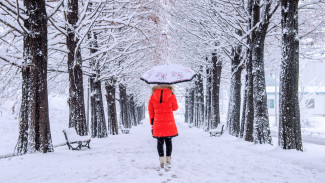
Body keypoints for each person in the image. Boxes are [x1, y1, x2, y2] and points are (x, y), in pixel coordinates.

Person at [148, 84, 178, 168]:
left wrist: (152, 122)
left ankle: (161, 161)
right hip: (169, 122)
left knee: (160, 142)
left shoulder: (153, 96)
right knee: (168, 142)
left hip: (158, 122)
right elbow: (175, 108)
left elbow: (151, 110)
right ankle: (168, 160)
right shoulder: (171, 95)